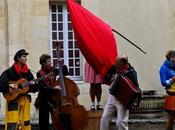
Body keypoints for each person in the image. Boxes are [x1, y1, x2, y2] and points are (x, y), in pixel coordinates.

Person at [0, 49, 38, 130]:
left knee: (25, 122)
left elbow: (33, 89)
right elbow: (1, 84)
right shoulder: (9, 71)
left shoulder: (28, 73)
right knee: (12, 123)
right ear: (18, 58)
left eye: (26, 56)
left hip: (25, 100)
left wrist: (34, 85)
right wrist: (9, 85)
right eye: (24, 56)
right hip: (13, 101)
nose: (26, 58)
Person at [100, 54, 139, 130]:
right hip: (113, 95)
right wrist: (111, 79)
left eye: (118, 64)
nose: (116, 66)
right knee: (104, 118)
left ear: (124, 63)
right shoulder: (114, 67)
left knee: (121, 121)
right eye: (116, 64)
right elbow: (106, 77)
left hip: (123, 99)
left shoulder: (131, 72)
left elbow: (136, 87)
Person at [34, 54, 69, 130]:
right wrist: (53, 88)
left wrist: (61, 64)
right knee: (44, 123)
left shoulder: (54, 70)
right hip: (44, 100)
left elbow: (66, 72)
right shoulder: (39, 73)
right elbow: (42, 88)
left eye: (51, 61)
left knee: (59, 120)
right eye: (49, 61)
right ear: (43, 63)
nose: (51, 63)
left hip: (54, 99)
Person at [159, 50, 175, 130]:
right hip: (171, 95)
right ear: (171, 58)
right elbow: (163, 83)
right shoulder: (163, 68)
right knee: (171, 118)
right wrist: (172, 79)